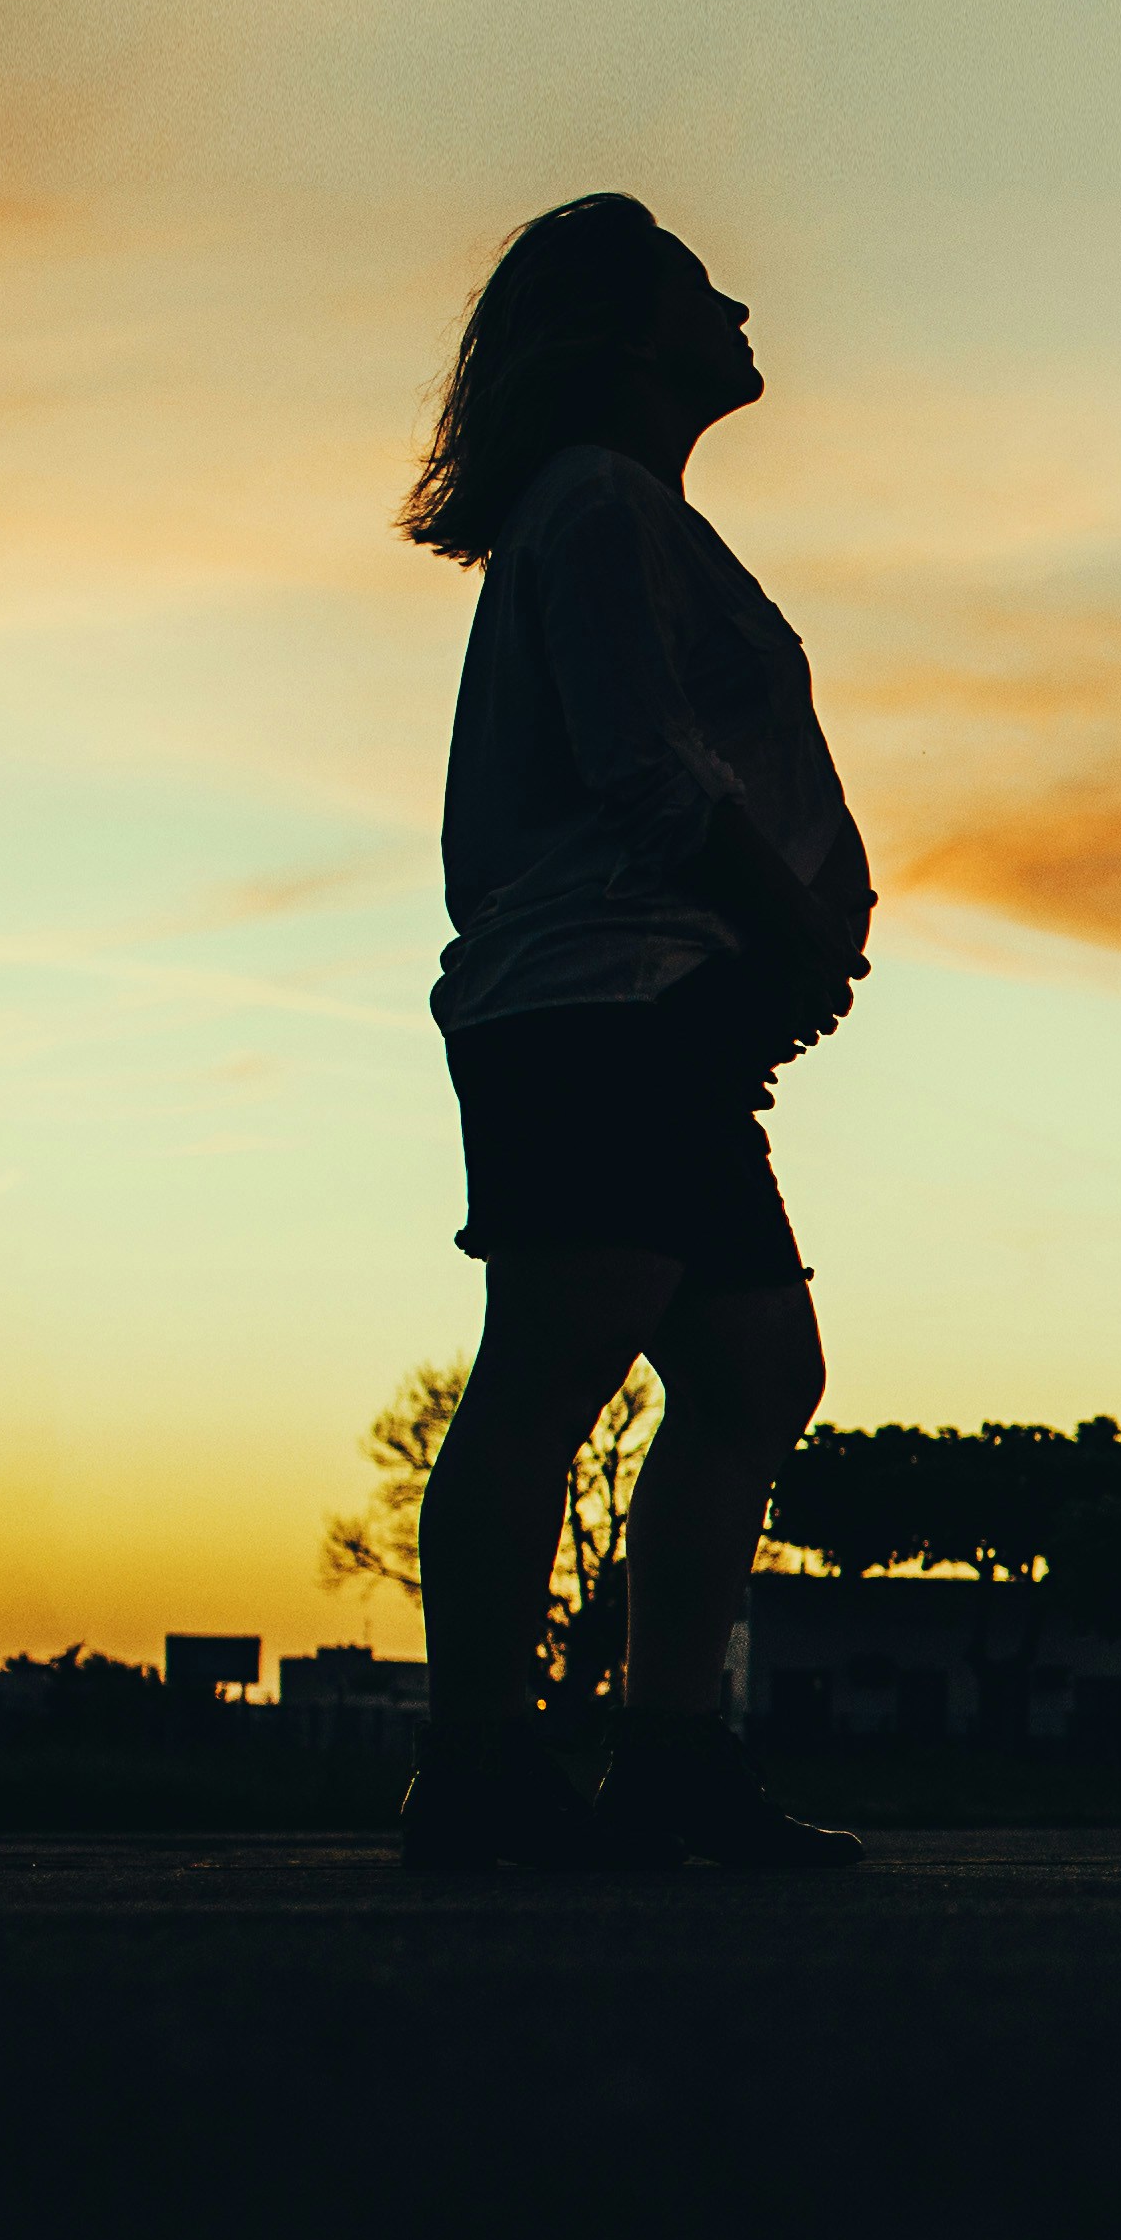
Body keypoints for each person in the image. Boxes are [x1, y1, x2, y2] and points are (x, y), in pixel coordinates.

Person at [392, 192, 870, 1868]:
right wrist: (798, 920)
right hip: (596, 998)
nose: (736, 302)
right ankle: (477, 1771)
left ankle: (667, 1759)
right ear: (617, 332)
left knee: (752, 1372)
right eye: (694, 288)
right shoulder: (593, 506)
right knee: (555, 1360)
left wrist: (785, 953)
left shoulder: (639, 518)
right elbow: (645, 764)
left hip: (661, 1005)